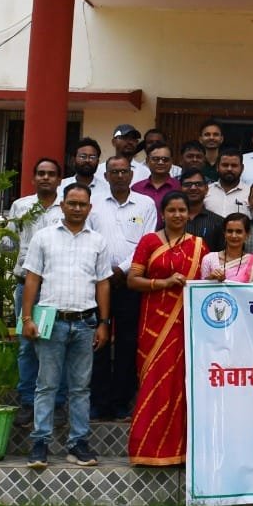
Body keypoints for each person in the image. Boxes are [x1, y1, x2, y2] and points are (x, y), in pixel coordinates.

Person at [21, 183, 112, 469]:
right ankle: (40, 443)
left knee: (80, 388)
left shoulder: (98, 241)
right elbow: (32, 279)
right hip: (51, 321)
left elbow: (103, 283)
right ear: (62, 205)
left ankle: (78, 444)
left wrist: (104, 323)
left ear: (90, 208)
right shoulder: (43, 237)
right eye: (72, 203)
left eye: (82, 204)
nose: (76, 208)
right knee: (46, 385)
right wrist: (26, 318)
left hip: (85, 323)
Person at [126, 191, 207, 467]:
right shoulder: (150, 241)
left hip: (186, 323)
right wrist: (163, 283)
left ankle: (181, 451)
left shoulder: (199, 245)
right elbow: (133, 280)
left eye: (182, 210)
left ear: (188, 213)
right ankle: (147, 449)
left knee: (180, 384)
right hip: (153, 324)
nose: (177, 215)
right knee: (154, 382)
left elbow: (205, 284)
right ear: (163, 213)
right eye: (172, 210)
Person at [90, 155, 158, 420]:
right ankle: (98, 403)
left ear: (131, 175)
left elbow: (147, 242)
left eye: (124, 172)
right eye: (114, 172)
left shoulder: (145, 204)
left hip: (130, 282)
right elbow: (89, 239)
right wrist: (105, 272)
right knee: (98, 342)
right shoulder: (94, 204)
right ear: (106, 176)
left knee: (128, 343)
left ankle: (121, 402)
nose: (119, 176)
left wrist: (122, 269)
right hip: (99, 282)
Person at [8, 156, 63, 426]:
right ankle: (28, 402)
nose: (45, 178)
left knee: (59, 344)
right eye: (41, 173)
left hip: (57, 286)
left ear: (59, 180)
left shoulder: (67, 207)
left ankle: (58, 403)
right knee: (27, 346)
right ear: (33, 178)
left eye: (51, 174)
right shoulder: (21, 206)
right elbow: (8, 244)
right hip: (26, 285)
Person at [201, 213, 253, 283]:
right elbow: (202, 287)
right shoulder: (209, 259)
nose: (233, 235)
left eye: (239, 232)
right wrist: (211, 279)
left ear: (247, 234)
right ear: (224, 233)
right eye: (230, 231)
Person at [177, 170, 225, 252]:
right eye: (188, 184)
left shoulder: (218, 222)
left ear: (206, 189)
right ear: (180, 189)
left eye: (198, 184)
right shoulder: (172, 220)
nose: (193, 188)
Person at [131, 141, 181, 211]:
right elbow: (132, 214)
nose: (160, 162)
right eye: (155, 159)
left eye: (165, 159)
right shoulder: (136, 188)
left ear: (171, 161)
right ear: (147, 161)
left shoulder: (179, 187)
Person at [204, 151, 250, 218]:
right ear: (217, 167)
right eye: (225, 165)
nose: (229, 169)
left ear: (242, 168)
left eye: (234, 165)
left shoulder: (249, 193)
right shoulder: (206, 191)